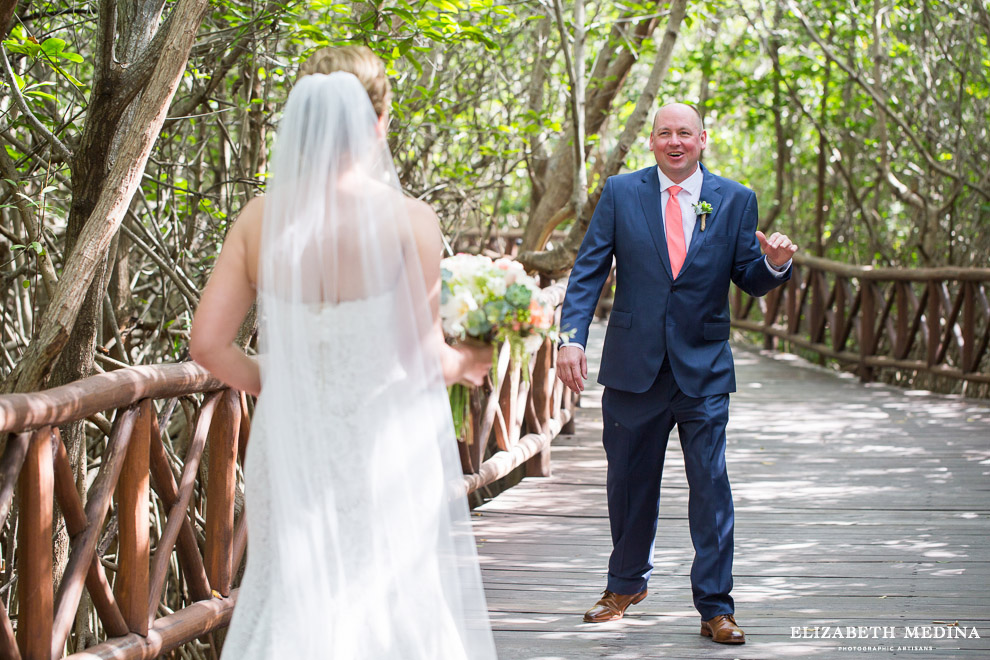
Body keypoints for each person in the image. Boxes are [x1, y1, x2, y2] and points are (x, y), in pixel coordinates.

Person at [189, 46, 497, 659]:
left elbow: (206, 344)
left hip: (292, 438)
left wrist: (276, 379)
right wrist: (474, 360)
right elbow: (425, 361)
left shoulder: (258, 220)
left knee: (290, 586)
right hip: (382, 440)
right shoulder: (408, 220)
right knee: (389, 585)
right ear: (379, 121)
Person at [556, 103, 797, 645]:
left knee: (710, 487)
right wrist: (571, 338)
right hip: (632, 367)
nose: (674, 141)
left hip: (703, 366)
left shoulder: (734, 199)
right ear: (652, 142)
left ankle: (716, 606)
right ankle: (624, 585)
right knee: (627, 484)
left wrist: (775, 264)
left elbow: (748, 277)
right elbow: (589, 269)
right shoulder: (620, 193)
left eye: (684, 133)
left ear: (702, 139)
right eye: (664, 132)